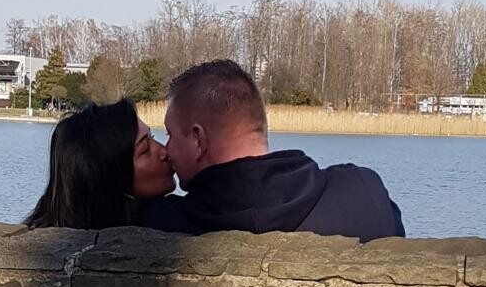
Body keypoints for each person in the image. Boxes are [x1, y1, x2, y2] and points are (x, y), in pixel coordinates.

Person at [142, 59, 404, 241]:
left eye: (170, 134)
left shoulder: (161, 225)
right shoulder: (364, 195)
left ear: (198, 140)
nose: (167, 149)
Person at [25, 98, 175, 229]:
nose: (165, 151)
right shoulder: (161, 222)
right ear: (109, 176)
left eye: (152, 137)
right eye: (145, 150)